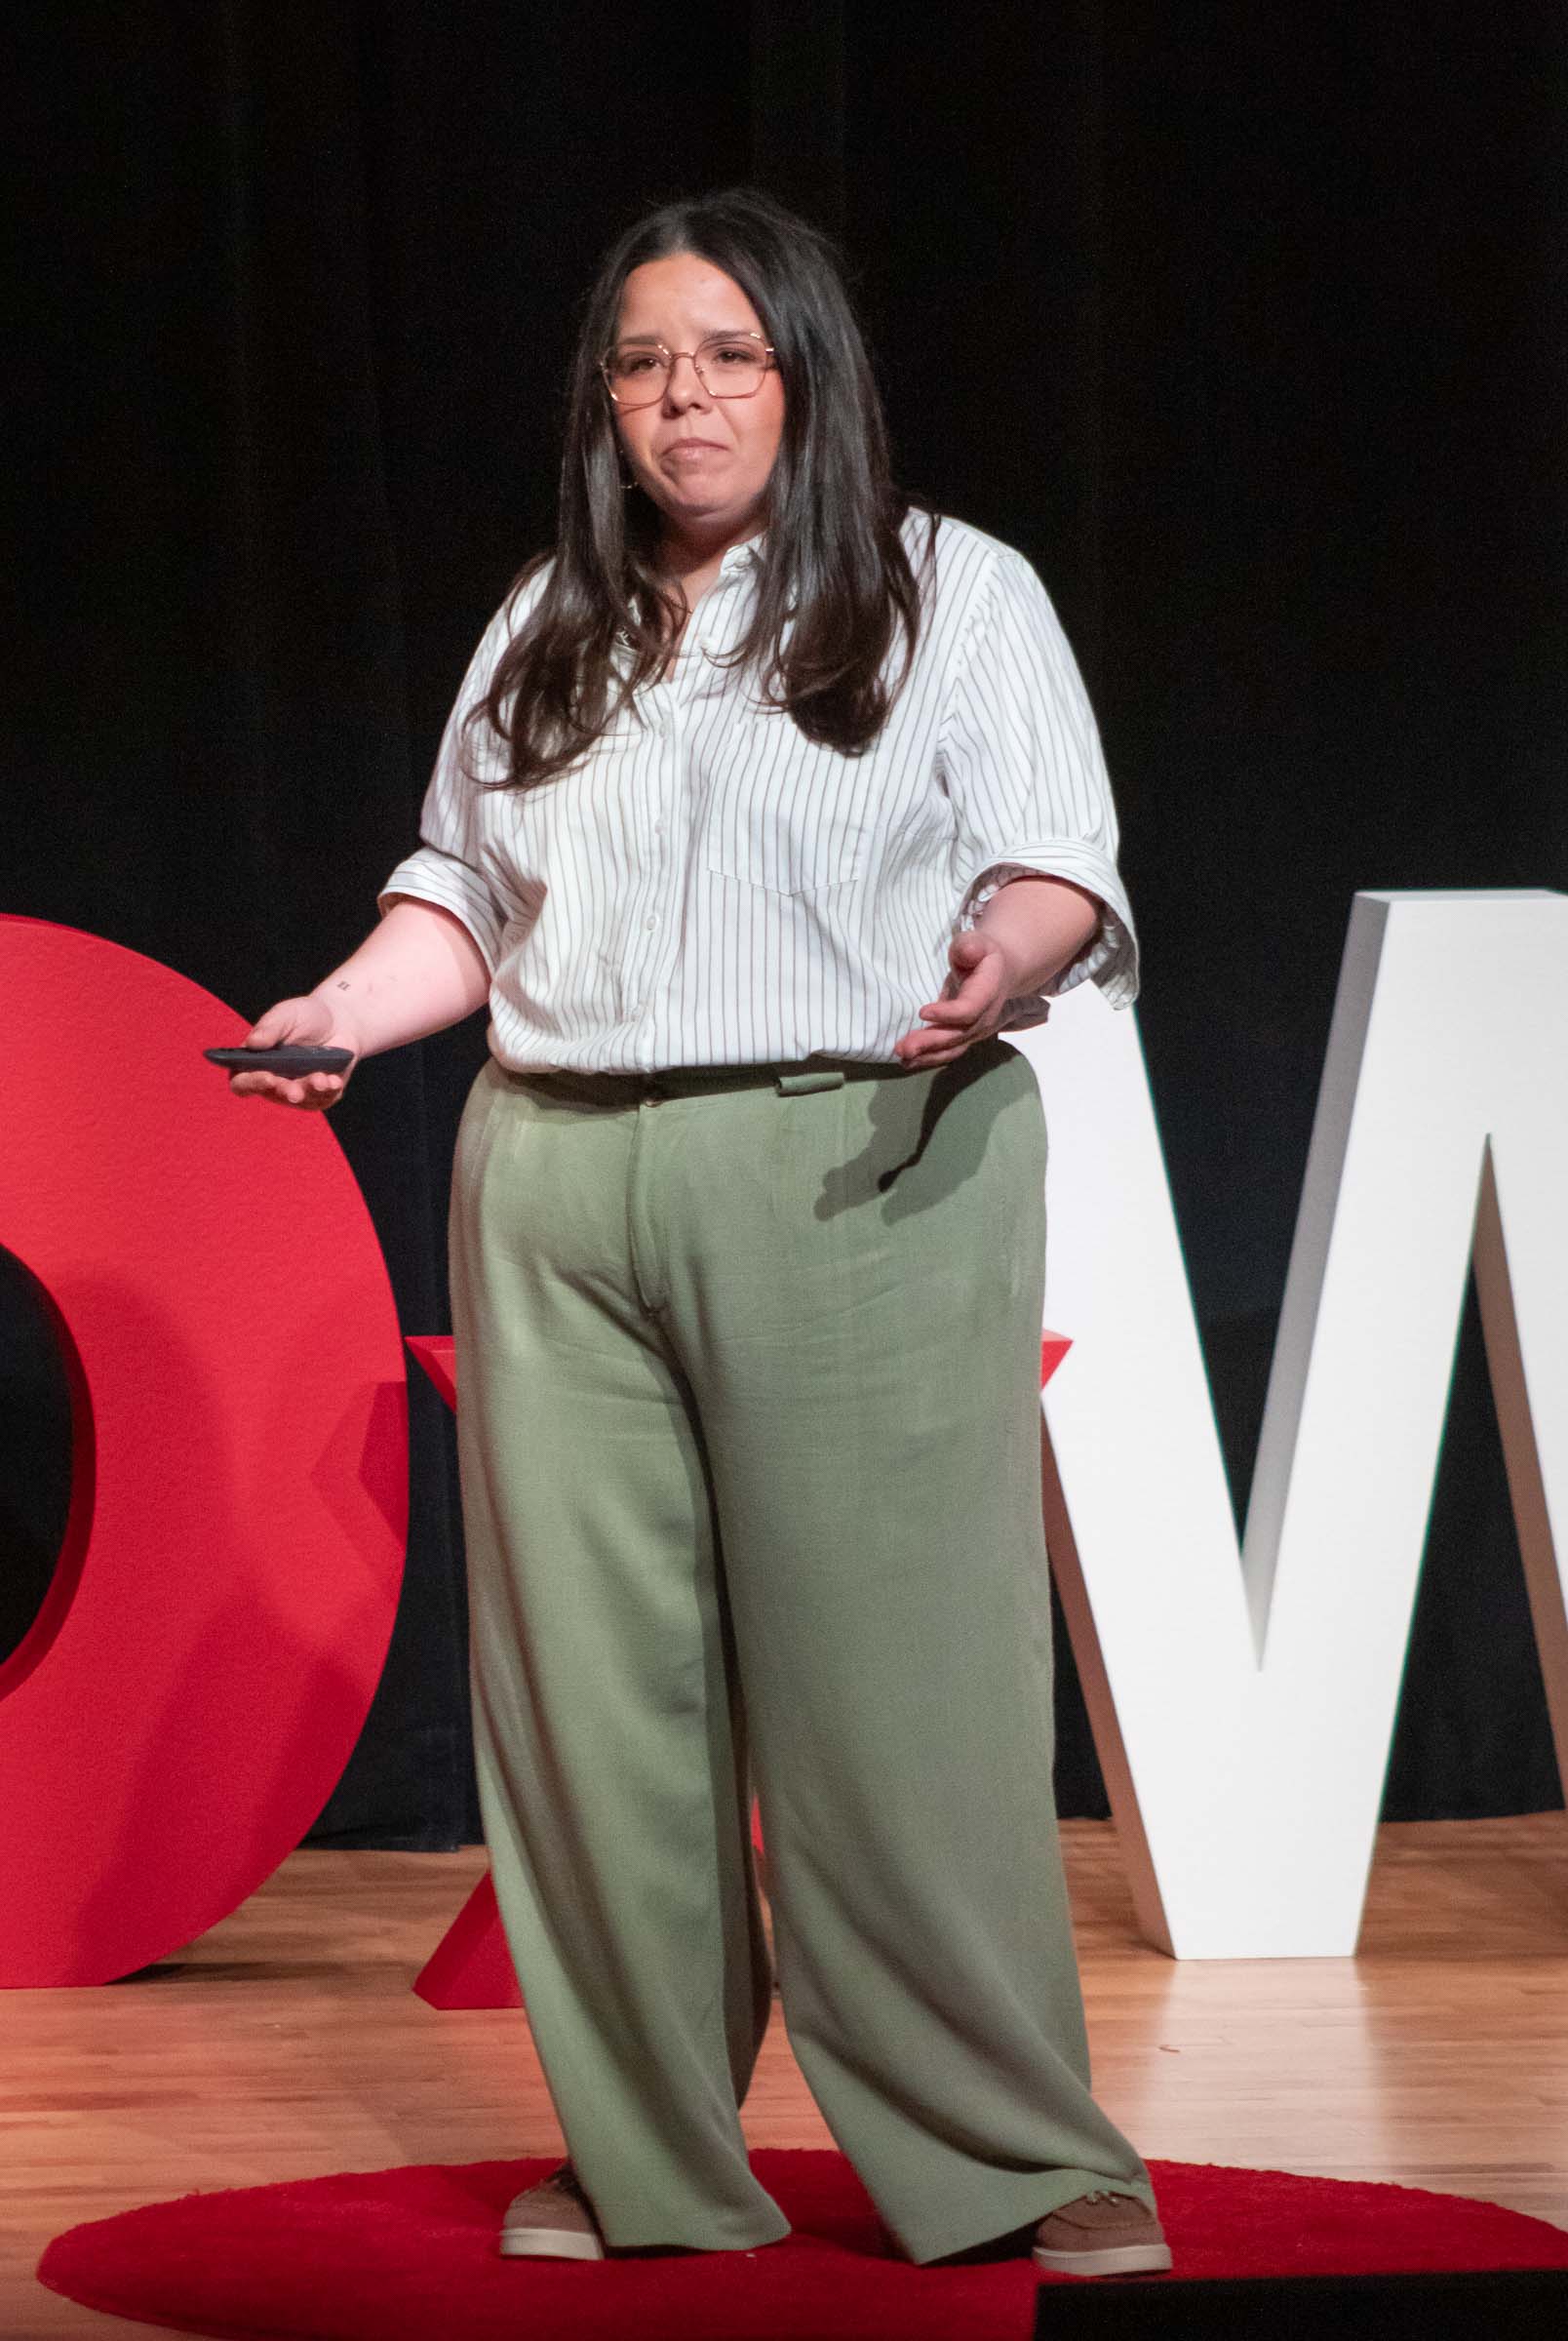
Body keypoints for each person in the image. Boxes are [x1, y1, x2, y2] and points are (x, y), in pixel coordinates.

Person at [230, 186, 1170, 2281]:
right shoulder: (548, 618)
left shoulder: (949, 591)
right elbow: (465, 892)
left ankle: (1018, 2157)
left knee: (896, 1694)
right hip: (558, 1172)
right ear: (605, 402)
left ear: (807, 377)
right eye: (644, 363)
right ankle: (647, 2158)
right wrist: (341, 1015)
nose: (685, 398)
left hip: (854, 1151)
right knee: (595, 1707)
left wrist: (1001, 962)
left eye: (729, 356)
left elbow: (1060, 861)